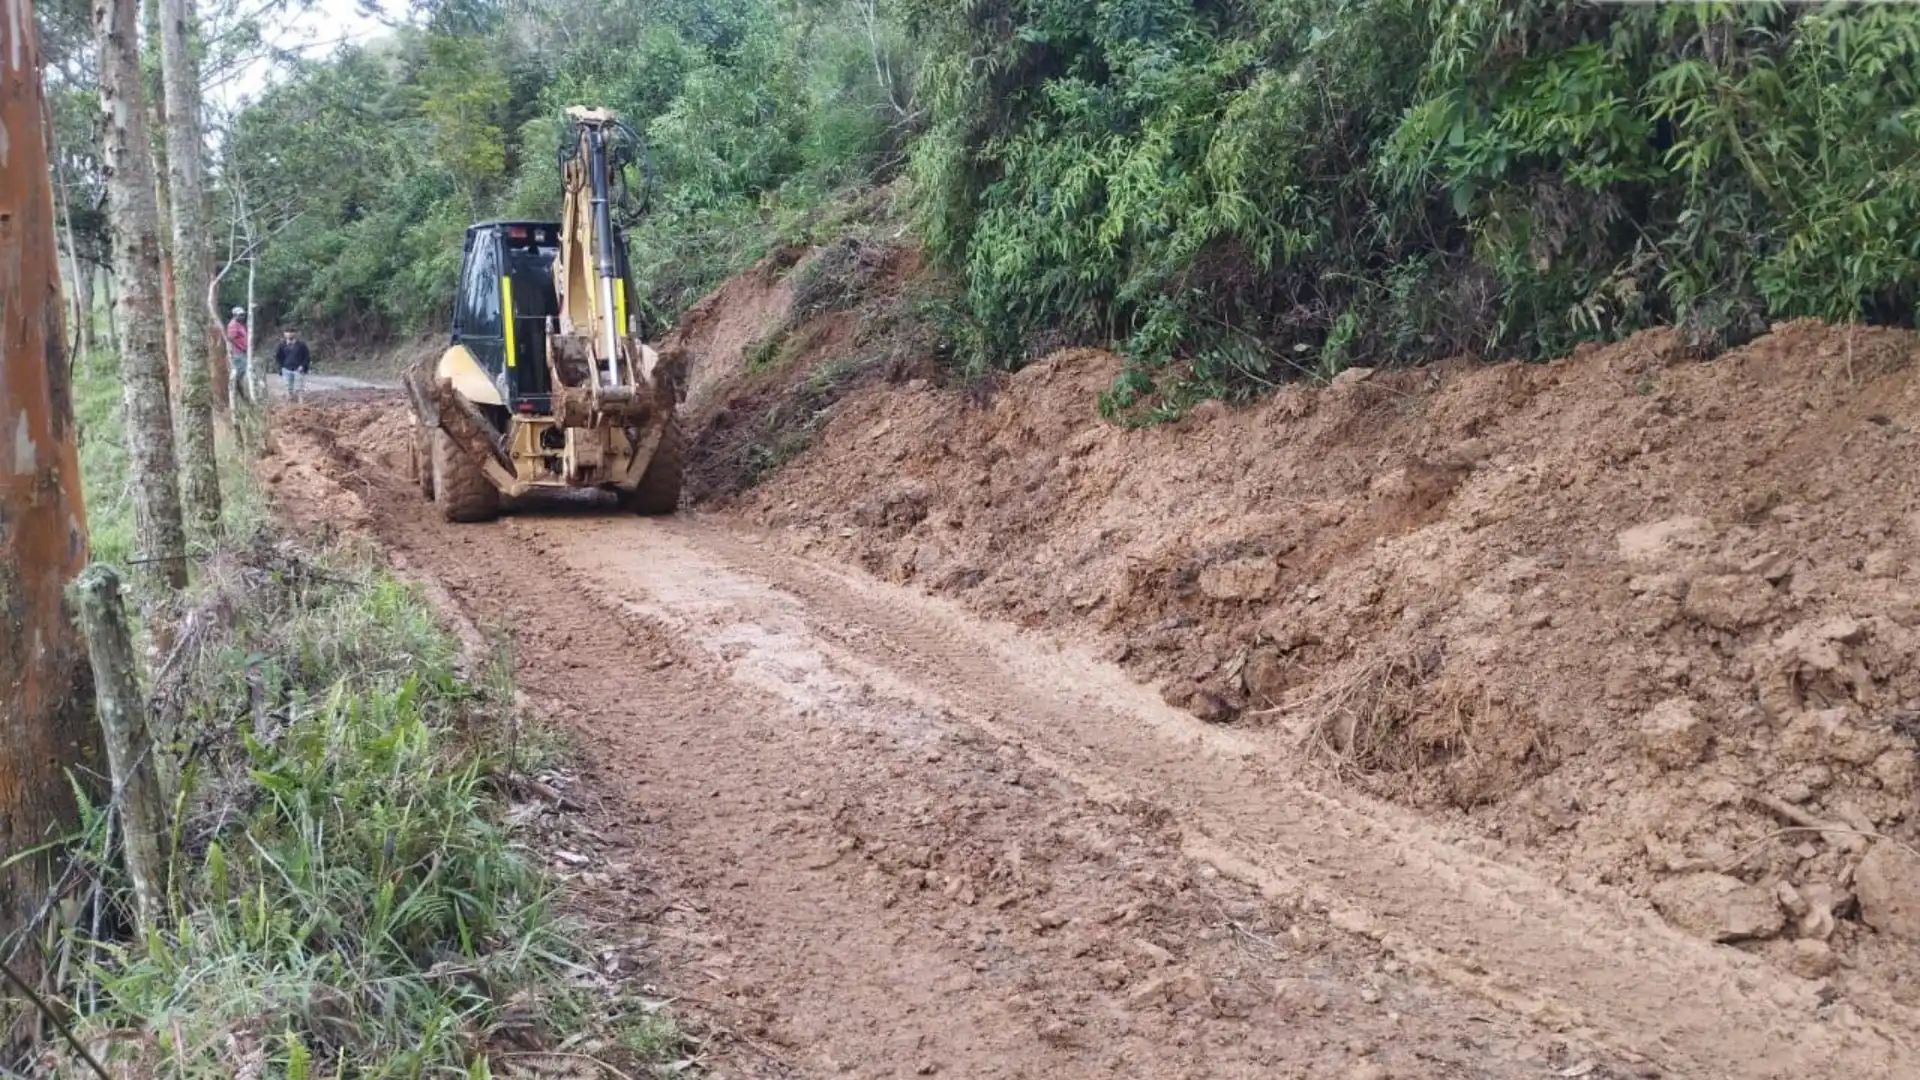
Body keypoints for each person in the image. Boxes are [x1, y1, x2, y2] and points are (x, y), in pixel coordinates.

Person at [274, 327, 312, 400]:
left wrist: (302, 366)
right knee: (288, 389)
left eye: (291, 331)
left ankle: (301, 405)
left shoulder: (301, 345)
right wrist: (282, 367)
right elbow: (278, 357)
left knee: (299, 389)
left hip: (298, 369)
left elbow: (307, 357)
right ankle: (289, 406)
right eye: (287, 331)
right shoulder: (282, 345)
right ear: (284, 334)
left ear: (295, 333)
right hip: (286, 369)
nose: (289, 334)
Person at [225, 307, 250, 404]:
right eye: (240, 315)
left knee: (242, 373)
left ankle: (242, 396)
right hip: (238, 353)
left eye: (243, 314)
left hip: (243, 352)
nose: (242, 316)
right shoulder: (233, 325)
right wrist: (241, 347)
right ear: (235, 315)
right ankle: (239, 396)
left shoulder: (240, 324)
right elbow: (231, 339)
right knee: (238, 374)